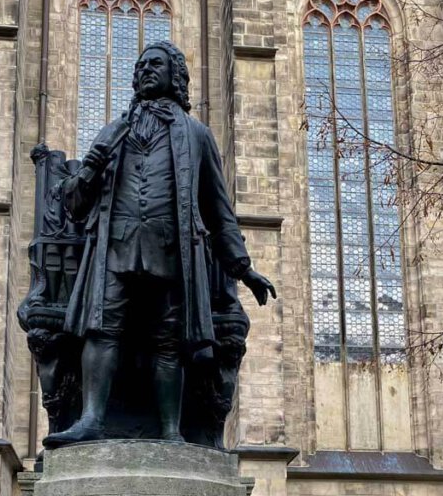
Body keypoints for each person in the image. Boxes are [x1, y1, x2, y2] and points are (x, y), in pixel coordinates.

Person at [45, 41, 275, 448]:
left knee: (168, 340)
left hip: (172, 252)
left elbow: (219, 210)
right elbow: (76, 206)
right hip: (114, 250)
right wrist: (94, 162)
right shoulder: (113, 132)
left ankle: (171, 431)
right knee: (102, 329)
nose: (147, 70)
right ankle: (92, 418)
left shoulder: (197, 136)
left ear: (175, 76)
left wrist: (243, 269)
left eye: (157, 64)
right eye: (142, 65)